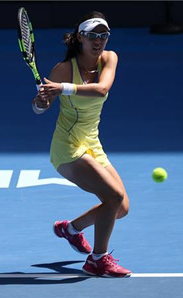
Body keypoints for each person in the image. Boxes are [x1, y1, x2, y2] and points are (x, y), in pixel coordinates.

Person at [32, 12, 131, 278]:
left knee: (121, 208)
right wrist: (40, 104)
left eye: (103, 35)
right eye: (92, 36)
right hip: (67, 148)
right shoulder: (63, 69)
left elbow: (102, 88)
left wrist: (63, 89)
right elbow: (40, 107)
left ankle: (71, 229)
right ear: (80, 38)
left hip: (92, 142)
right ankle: (98, 260)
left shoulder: (109, 58)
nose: (99, 41)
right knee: (113, 197)